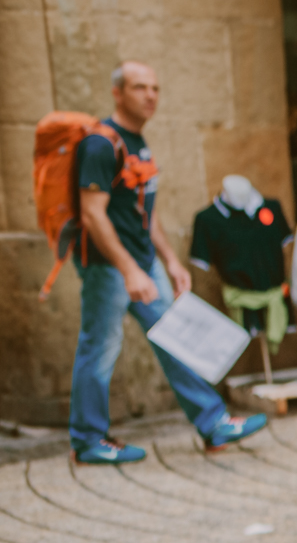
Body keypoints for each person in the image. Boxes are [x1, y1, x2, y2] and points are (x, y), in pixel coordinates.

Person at [68, 62, 267, 464]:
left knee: (175, 339)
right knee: (100, 348)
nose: (150, 95)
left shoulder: (138, 143)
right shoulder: (100, 145)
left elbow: (146, 213)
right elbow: (93, 215)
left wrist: (171, 262)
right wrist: (129, 270)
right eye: (140, 87)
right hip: (110, 267)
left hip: (143, 265)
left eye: (155, 88)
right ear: (118, 93)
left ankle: (213, 423)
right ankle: (88, 441)